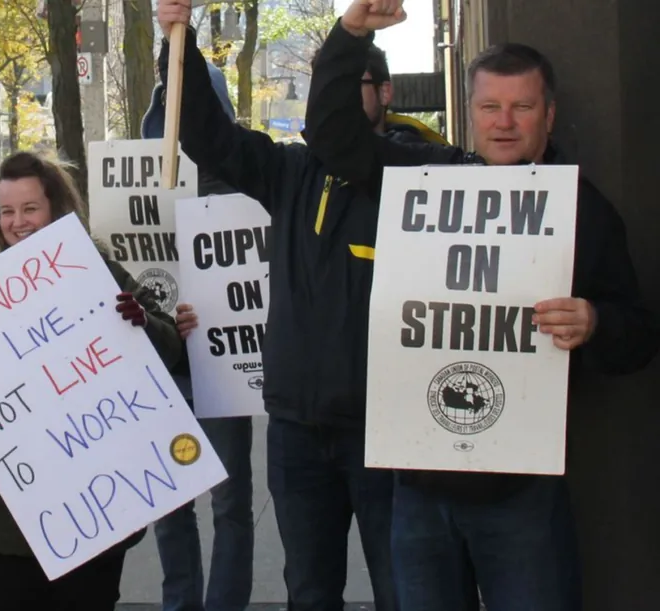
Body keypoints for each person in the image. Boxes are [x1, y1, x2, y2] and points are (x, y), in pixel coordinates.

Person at [304, 2, 660, 610]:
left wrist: (596, 322)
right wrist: (350, 34)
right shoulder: (424, 178)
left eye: (522, 107)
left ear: (548, 115)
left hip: (521, 490)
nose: (504, 122)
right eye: (490, 106)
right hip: (415, 486)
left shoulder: (580, 208)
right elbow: (334, 139)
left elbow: (637, 335)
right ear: (468, 112)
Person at [154, 1, 459, 609]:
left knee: (404, 588)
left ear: (386, 92)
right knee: (310, 590)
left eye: (349, 84)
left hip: (385, 434)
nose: (335, 98)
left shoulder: (424, 175)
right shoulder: (289, 173)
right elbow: (205, 134)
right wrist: (176, 43)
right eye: (327, 84)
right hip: (296, 429)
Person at [0, 151, 184, 611]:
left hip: (94, 505)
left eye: (30, 208)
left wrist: (141, 321)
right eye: (7, 210)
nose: (18, 222)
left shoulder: (96, 270)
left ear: (57, 209)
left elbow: (172, 350)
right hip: (4, 518)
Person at [141, 58, 256, 611]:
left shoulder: (244, 183)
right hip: (164, 366)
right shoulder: (137, 182)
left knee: (223, 498)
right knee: (178, 498)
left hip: (220, 366)